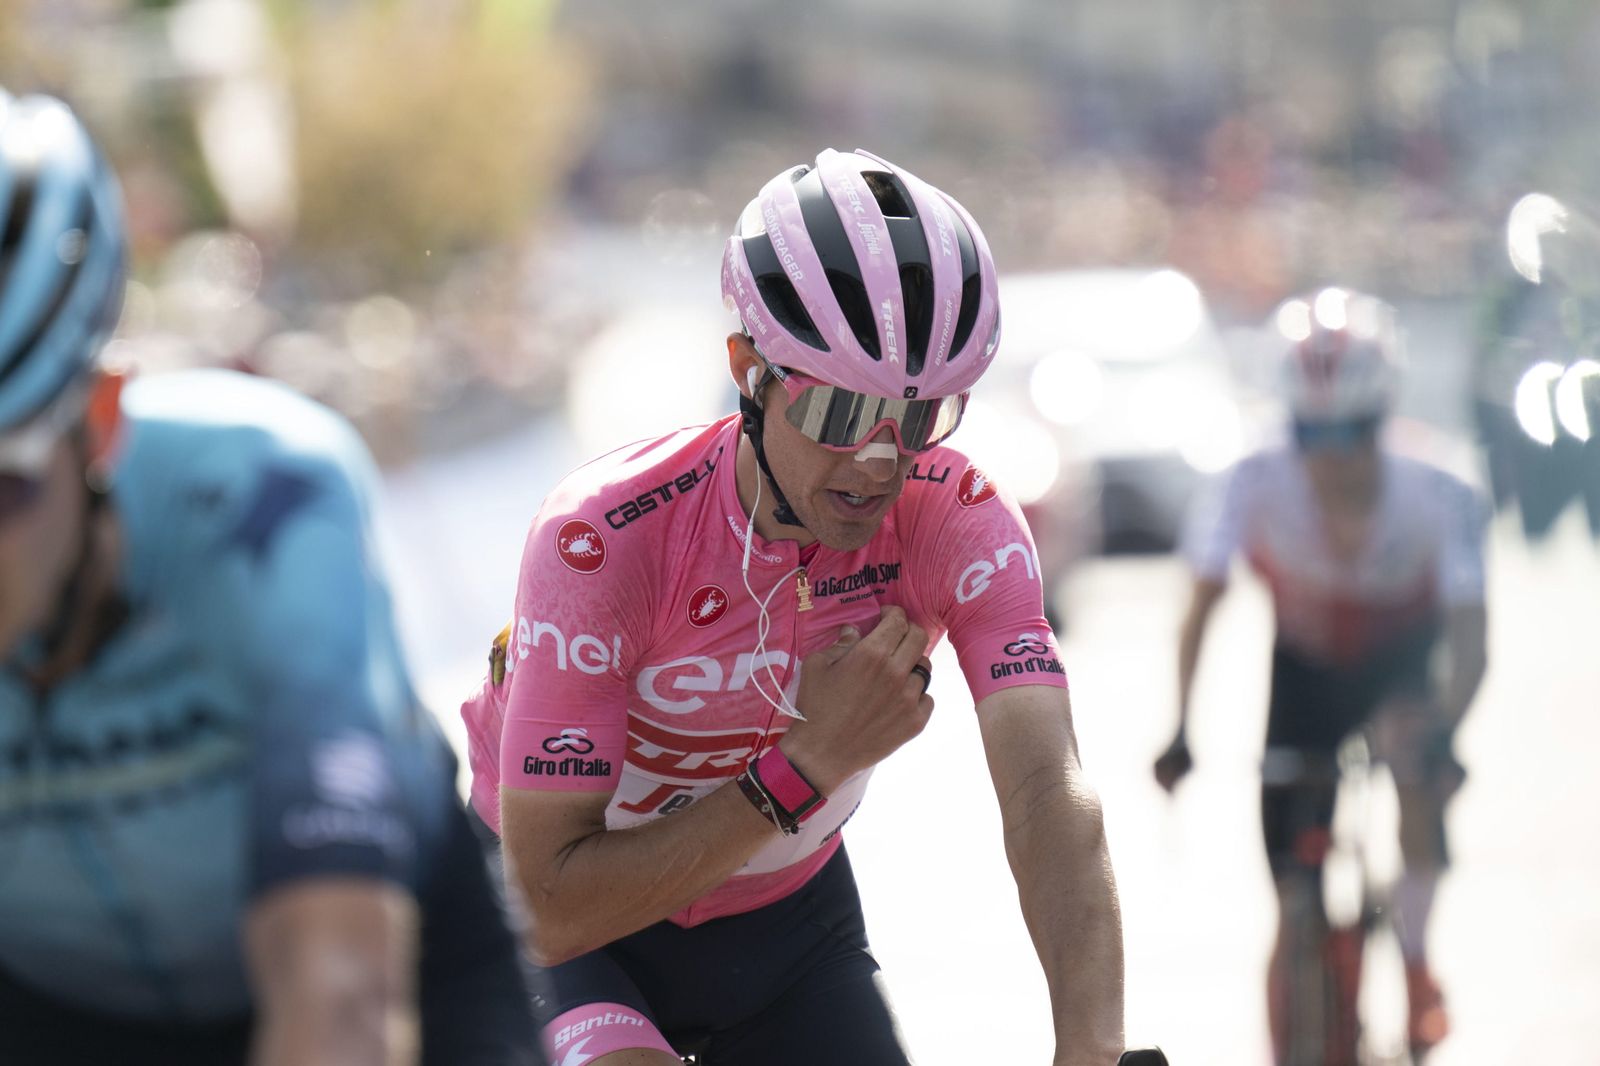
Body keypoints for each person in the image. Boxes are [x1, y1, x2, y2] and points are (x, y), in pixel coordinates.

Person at [461, 148, 1131, 1065]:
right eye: (839, 414)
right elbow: (550, 906)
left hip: (782, 927)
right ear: (750, 371)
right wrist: (806, 763)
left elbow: (1047, 790)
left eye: (921, 418)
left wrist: (1094, 1045)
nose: (878, 461)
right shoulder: (604, 538)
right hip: (574, 931)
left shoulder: (957, 515)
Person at [0, 89, 540, 1064]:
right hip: (58, 999)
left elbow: (341, 997)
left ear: (101, 424)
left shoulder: (264, 496)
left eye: (5, 486)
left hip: (386, 949)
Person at [1153, 287, 1489, 1059]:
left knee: (1415, 771)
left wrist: (1444, 730)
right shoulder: (1251, 478)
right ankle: (1300, 1011)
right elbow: (1201, 605)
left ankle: (1415, 959)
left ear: (1384, 417)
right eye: (1313, 433)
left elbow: (1474, 642)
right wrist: (1180, 728)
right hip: (1305, 672)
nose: (1333, 456)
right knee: (1288, 884)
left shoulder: (1440, 489)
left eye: (1353, 431)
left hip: (1401, 665)